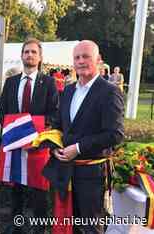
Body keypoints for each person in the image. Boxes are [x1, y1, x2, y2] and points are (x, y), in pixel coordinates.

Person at [50, 40, 124, 233]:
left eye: (86, 57)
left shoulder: (110, 92)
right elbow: (59, 126)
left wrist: (79, 148)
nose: (81, 61)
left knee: (90, 229)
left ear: (98, 60)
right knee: (70, 227)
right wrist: (55, 147)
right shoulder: (67, 91)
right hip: (66, 172)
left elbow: (115, 134)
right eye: (77, 57)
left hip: (93, 175)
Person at [0, 37, 59, 234]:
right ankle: (16, 225)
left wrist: (32, 133)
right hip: (15, 145)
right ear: (21, 56)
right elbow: (2, 112)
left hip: (38, 145)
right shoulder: (11, 82)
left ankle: (40, 227)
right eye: (26, 52)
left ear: (40, 57)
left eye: (33, 52)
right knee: (16, 188)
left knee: (39, 189)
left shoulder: (49, 83)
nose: (29, 55)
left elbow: (54, 113)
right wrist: (14, 134)